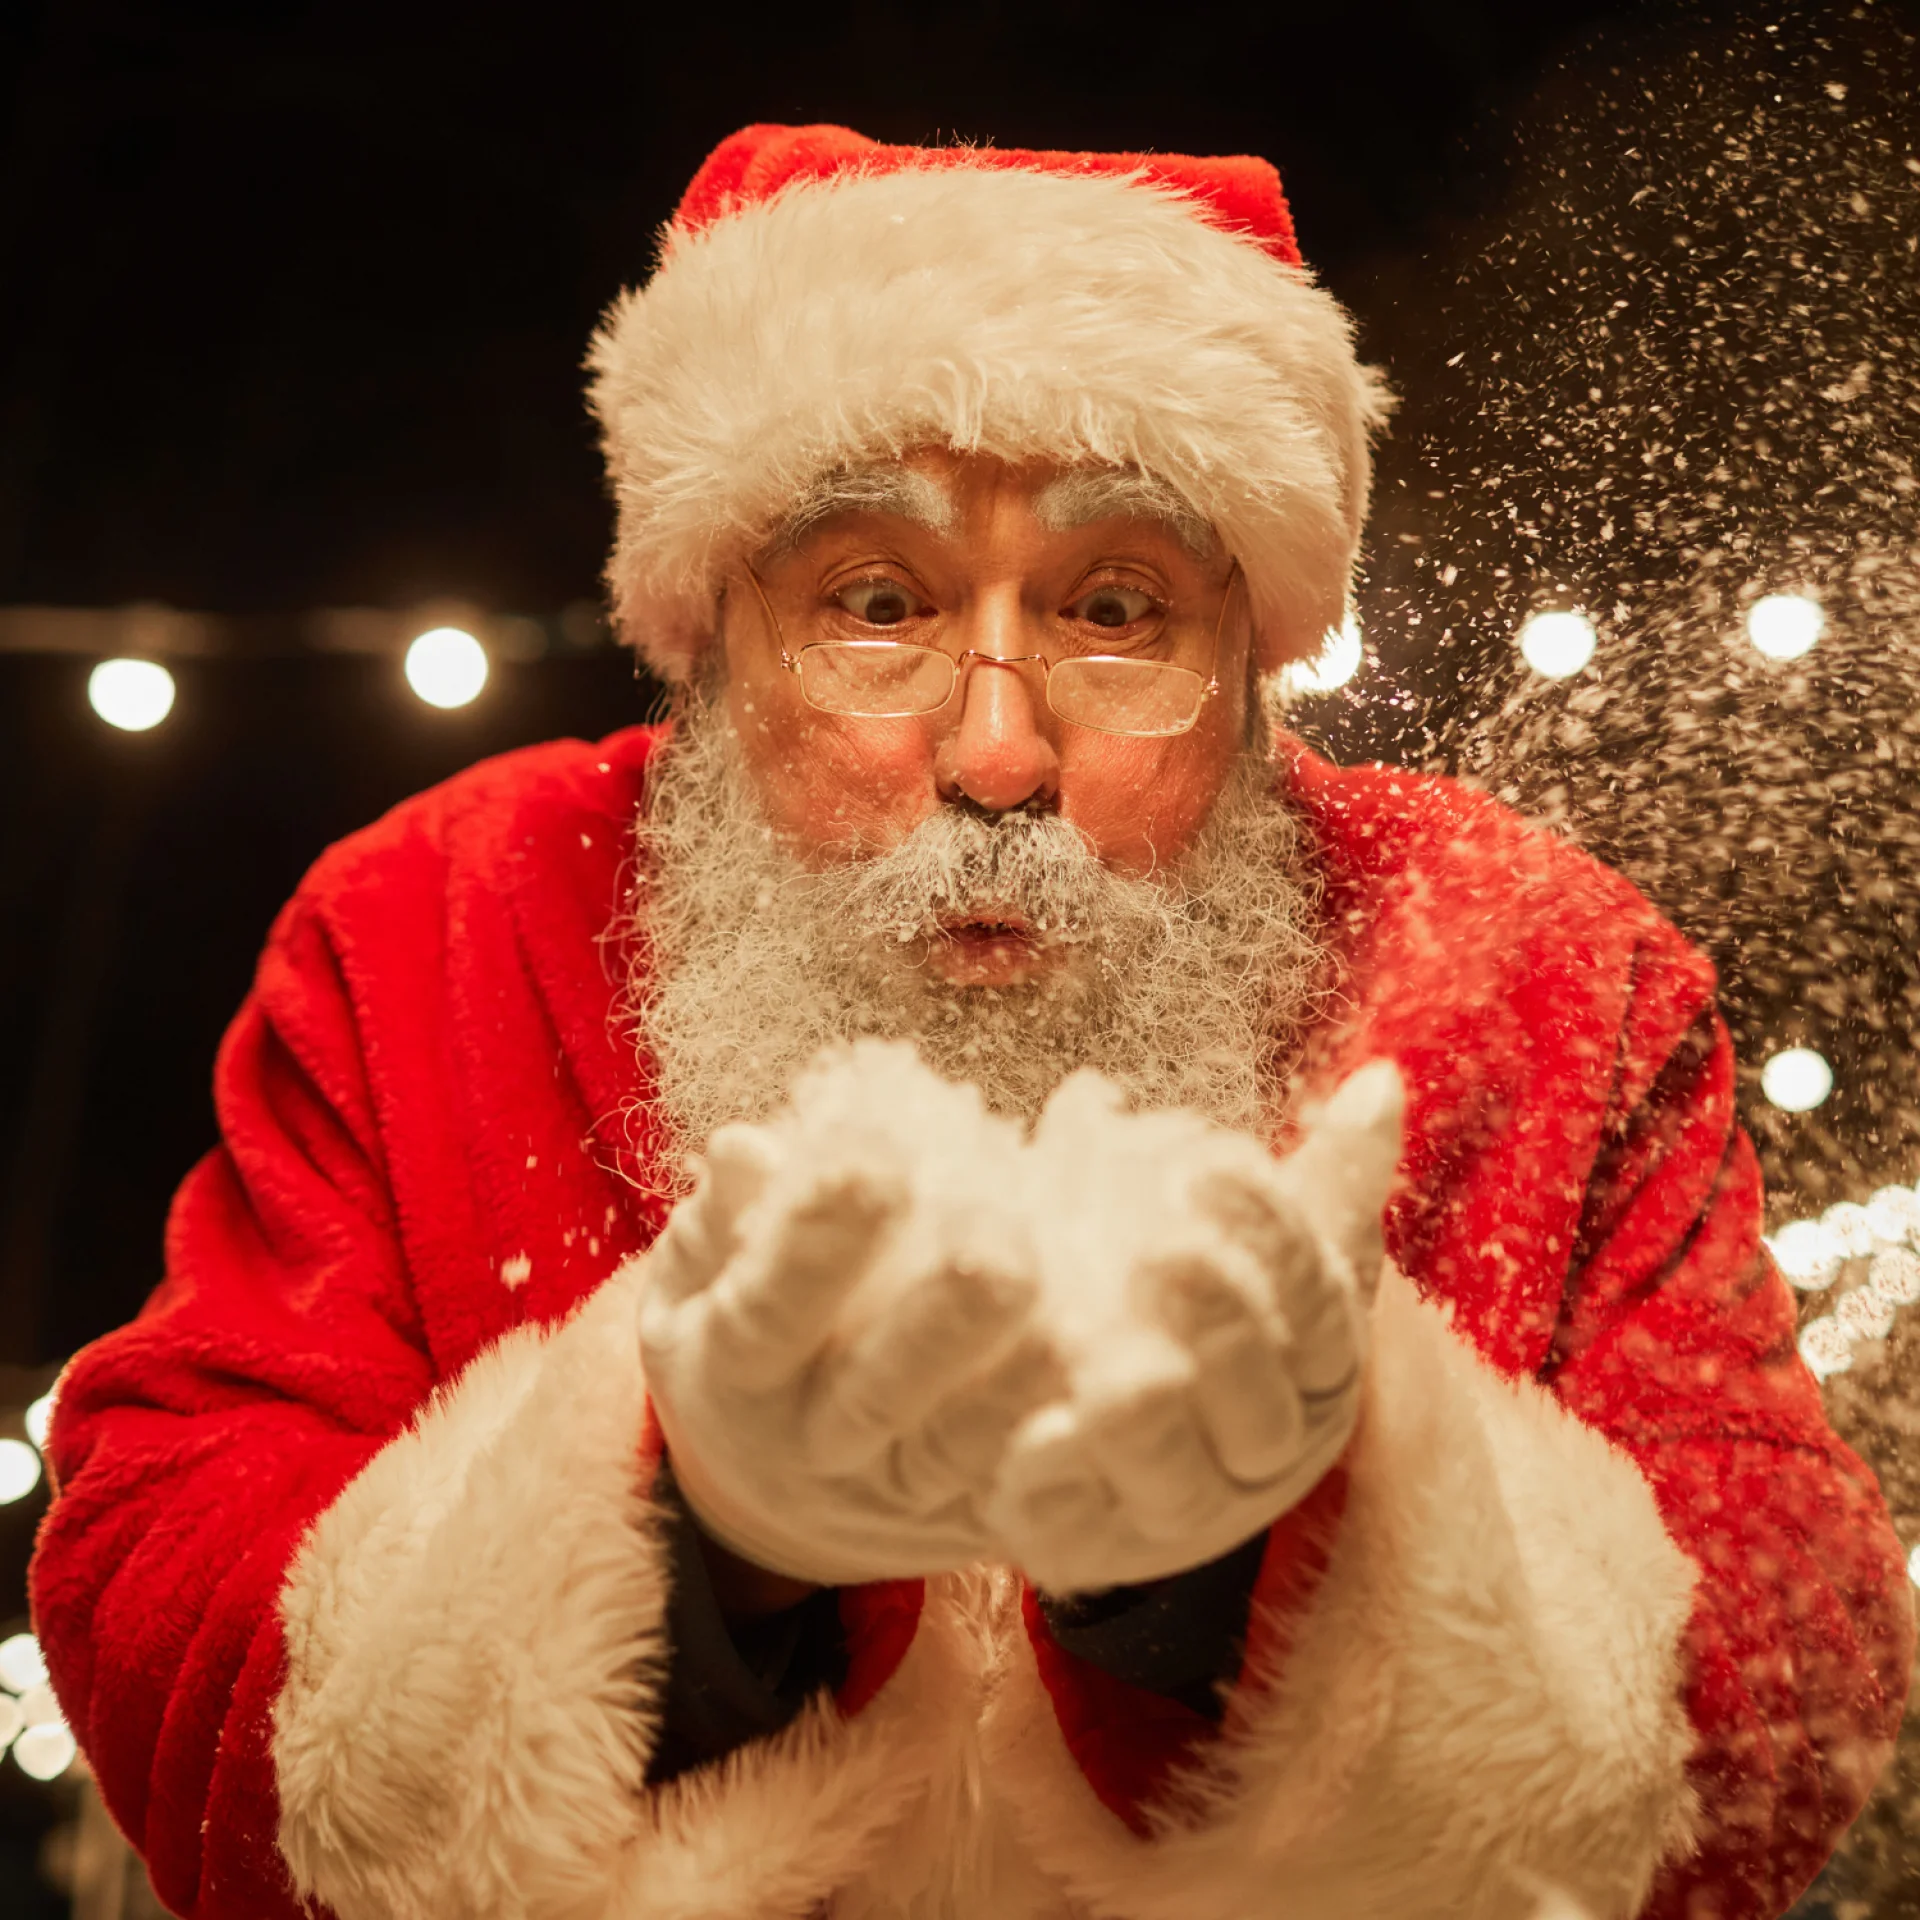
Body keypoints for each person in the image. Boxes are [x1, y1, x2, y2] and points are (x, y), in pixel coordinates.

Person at [29, 124, 1912, 1920]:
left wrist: (1266, 1554)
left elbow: (1791, 1665)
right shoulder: (438, 922)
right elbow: (155, 1591)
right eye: (874, 601)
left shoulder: (1540, 968)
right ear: (714, 640)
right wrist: (683, 1532)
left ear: (1251, 661)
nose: (999, 753)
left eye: (1113, 608)